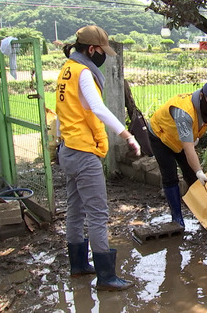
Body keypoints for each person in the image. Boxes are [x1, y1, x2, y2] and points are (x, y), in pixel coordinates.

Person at [56, 25, 140, 291]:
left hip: (67, 148)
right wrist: (127, 134)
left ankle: (79, 265)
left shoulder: (66, 69)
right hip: (83, 152)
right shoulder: (83, 73)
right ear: (91, 49)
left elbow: (68, 109)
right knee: (97, 214)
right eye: (102, 51)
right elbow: (97, 108)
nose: (104, 56)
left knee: (75, 208)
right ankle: (106, 276)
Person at [148, 81, 207, 228]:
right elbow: (188, 148)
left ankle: (204, 215)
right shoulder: (184, 111)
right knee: (170, 176)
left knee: (191, 176)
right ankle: (177, 218)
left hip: (182, 140)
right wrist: (199, 172)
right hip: (160, 136)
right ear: (202, 95)